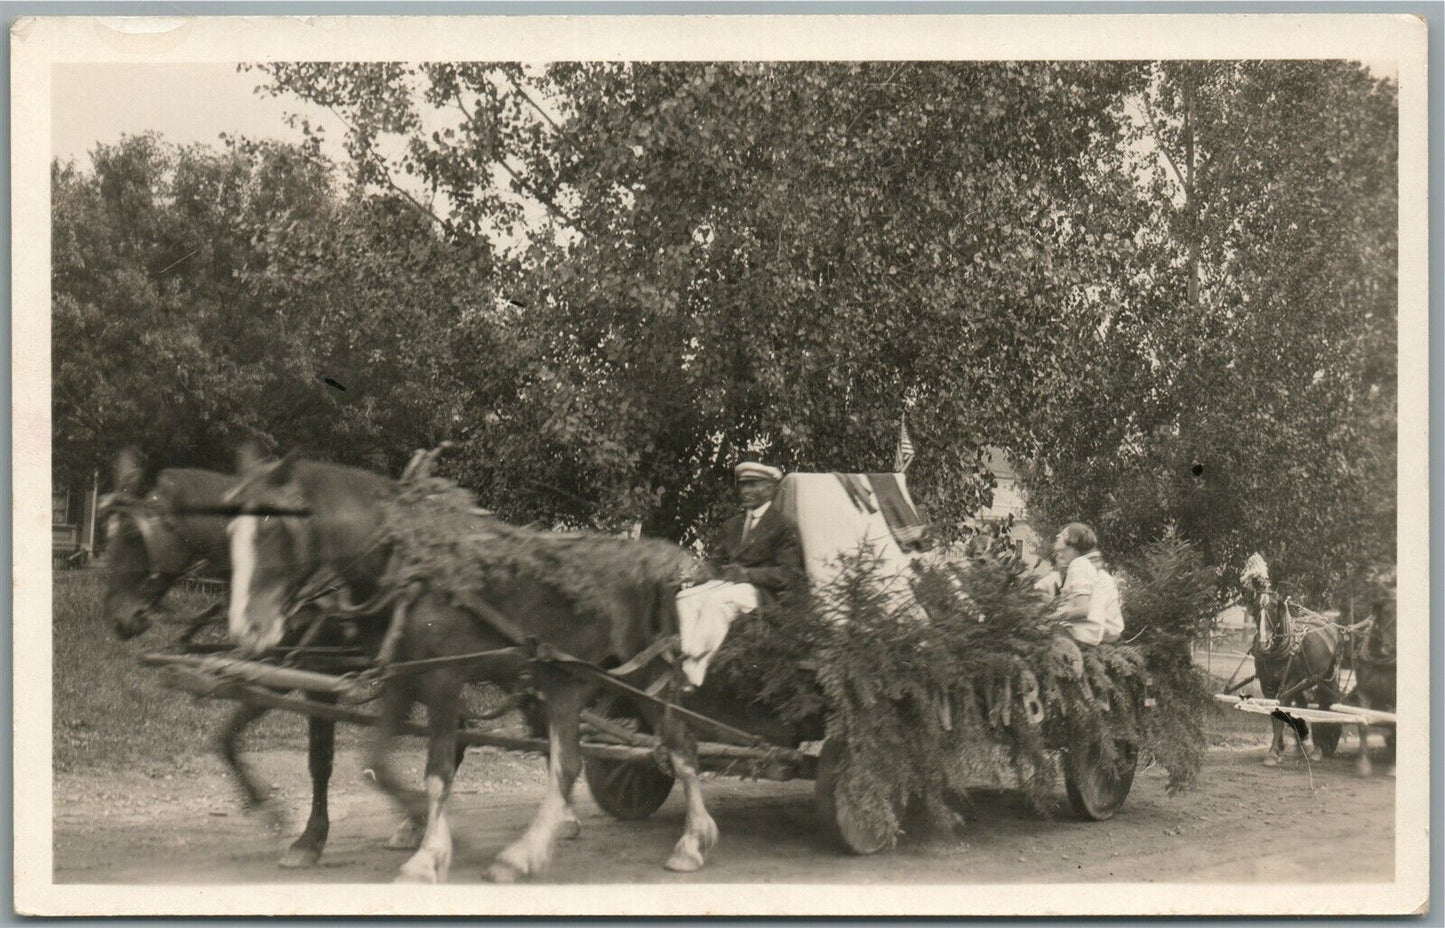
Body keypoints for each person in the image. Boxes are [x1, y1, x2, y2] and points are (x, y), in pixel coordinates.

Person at [675, 462, 803, 688]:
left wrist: (747, 574)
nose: (744, 491)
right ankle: (691, 670)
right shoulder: (732, 525)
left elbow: (788, 574)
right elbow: (715, 561)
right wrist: (695, 576)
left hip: (762, 593)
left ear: (770, 489)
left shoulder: (783, 525)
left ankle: (692, 655)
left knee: (716, 601)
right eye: (743, 485)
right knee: (684, 598)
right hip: (731, 586)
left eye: (752, 485)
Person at [1050, 522, 1124, 646]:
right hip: (1094, 633)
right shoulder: (1084, 564)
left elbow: (1084, 610)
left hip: (1082, 635)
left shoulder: (1079, 566)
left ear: (1071, 542)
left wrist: (1052, 617)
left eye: (1062, 535)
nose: (1057, 537)